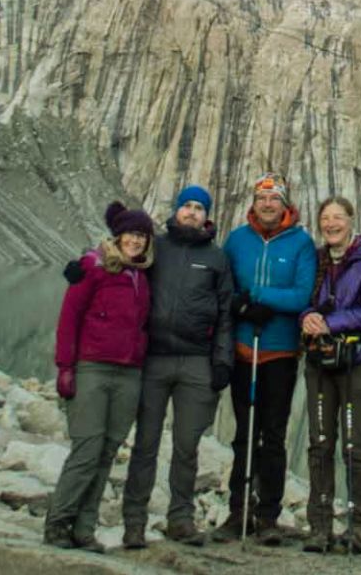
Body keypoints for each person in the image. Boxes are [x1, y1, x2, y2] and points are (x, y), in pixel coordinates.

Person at [117, 185, 234, 548]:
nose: (193, 212)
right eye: (188, 206)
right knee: (146, 444)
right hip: (153, 358)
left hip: (196, 361)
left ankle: (180, 518)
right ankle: (134, 522)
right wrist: (86, 265)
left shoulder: (217, 258)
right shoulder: (158, 248)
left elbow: (226, 313)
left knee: (187, 445)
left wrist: (222, 361)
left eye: (200, 208)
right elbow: (120, 263)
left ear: (207, 216)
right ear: (178, 210)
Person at [44, 201, 154, 551]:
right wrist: (65, 367)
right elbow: (69, 317)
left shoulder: (142, 274)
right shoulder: (93, 266)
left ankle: (84, 529)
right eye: (131, 234)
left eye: (141, 235)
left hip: (129, 372)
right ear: (118, 236)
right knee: (87, 448)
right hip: (93, 367)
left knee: (107, 451)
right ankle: (58, 523)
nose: (135, 241)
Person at [216, 172, 317, 545]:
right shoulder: (237, 240)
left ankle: (268, 515)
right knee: (244, 433)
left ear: (285, 203)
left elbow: (300, 296)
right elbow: (223, 287)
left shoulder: (301, 243)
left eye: (275, 198)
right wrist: (240, 303)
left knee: (273, 435)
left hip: (279, 353)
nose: (268, 204)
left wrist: (257, 294)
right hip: (244, 350)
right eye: (262, 199)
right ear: (254, 203)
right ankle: (238, 510)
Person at [299, 196, 361, 554]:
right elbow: (303, 298)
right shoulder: (317, 260)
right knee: (320, 443)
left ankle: (360, 525)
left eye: (338, 217)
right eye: (325, 218)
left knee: (355, 446)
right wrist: (306, 317)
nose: (331, 224)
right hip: (320, 363)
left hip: (357, 362)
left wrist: (329, 323)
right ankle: (319, 526)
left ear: (351, 220)